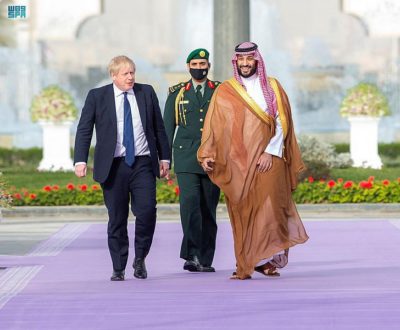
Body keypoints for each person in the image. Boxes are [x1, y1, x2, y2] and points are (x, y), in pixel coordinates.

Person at [198, 42, 309, 280]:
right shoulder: (227, 90)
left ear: (257, 60)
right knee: (243, 209)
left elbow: (282, 122)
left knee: (272, 207)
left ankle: (268, 258)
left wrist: (269, 151)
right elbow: (215, 126)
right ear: (236, 61)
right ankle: (249, 261)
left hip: (270, 157)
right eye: (241, 59)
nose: (246, 63)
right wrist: (208, 154)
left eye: (250, 59)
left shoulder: (272, 86)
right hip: (239, 162)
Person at [74, 55, 170, 281]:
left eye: (132, 72)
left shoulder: (146, 92)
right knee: (117, 217)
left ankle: (140, 258)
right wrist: (80, 160)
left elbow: (159, 128)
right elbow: (84, 129)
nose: (130, 77)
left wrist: (165, 158)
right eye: (125, 73)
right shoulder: (97, 96)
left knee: (147, 211)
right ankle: (118, 266)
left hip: (142, 163)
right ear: (113, 75)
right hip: (113, 166)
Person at [163, 48, 220, 272]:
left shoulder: (219, 90)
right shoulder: (177, 93)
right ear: (188, 67)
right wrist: (165, 159)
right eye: (194, 64)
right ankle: (191, 255)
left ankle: (206, 259)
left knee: (208, 207)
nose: (199, 68)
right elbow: (167, 128)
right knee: (190, 205)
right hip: (186, 157)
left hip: (214, 157)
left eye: (202, 64)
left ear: (208, 66)